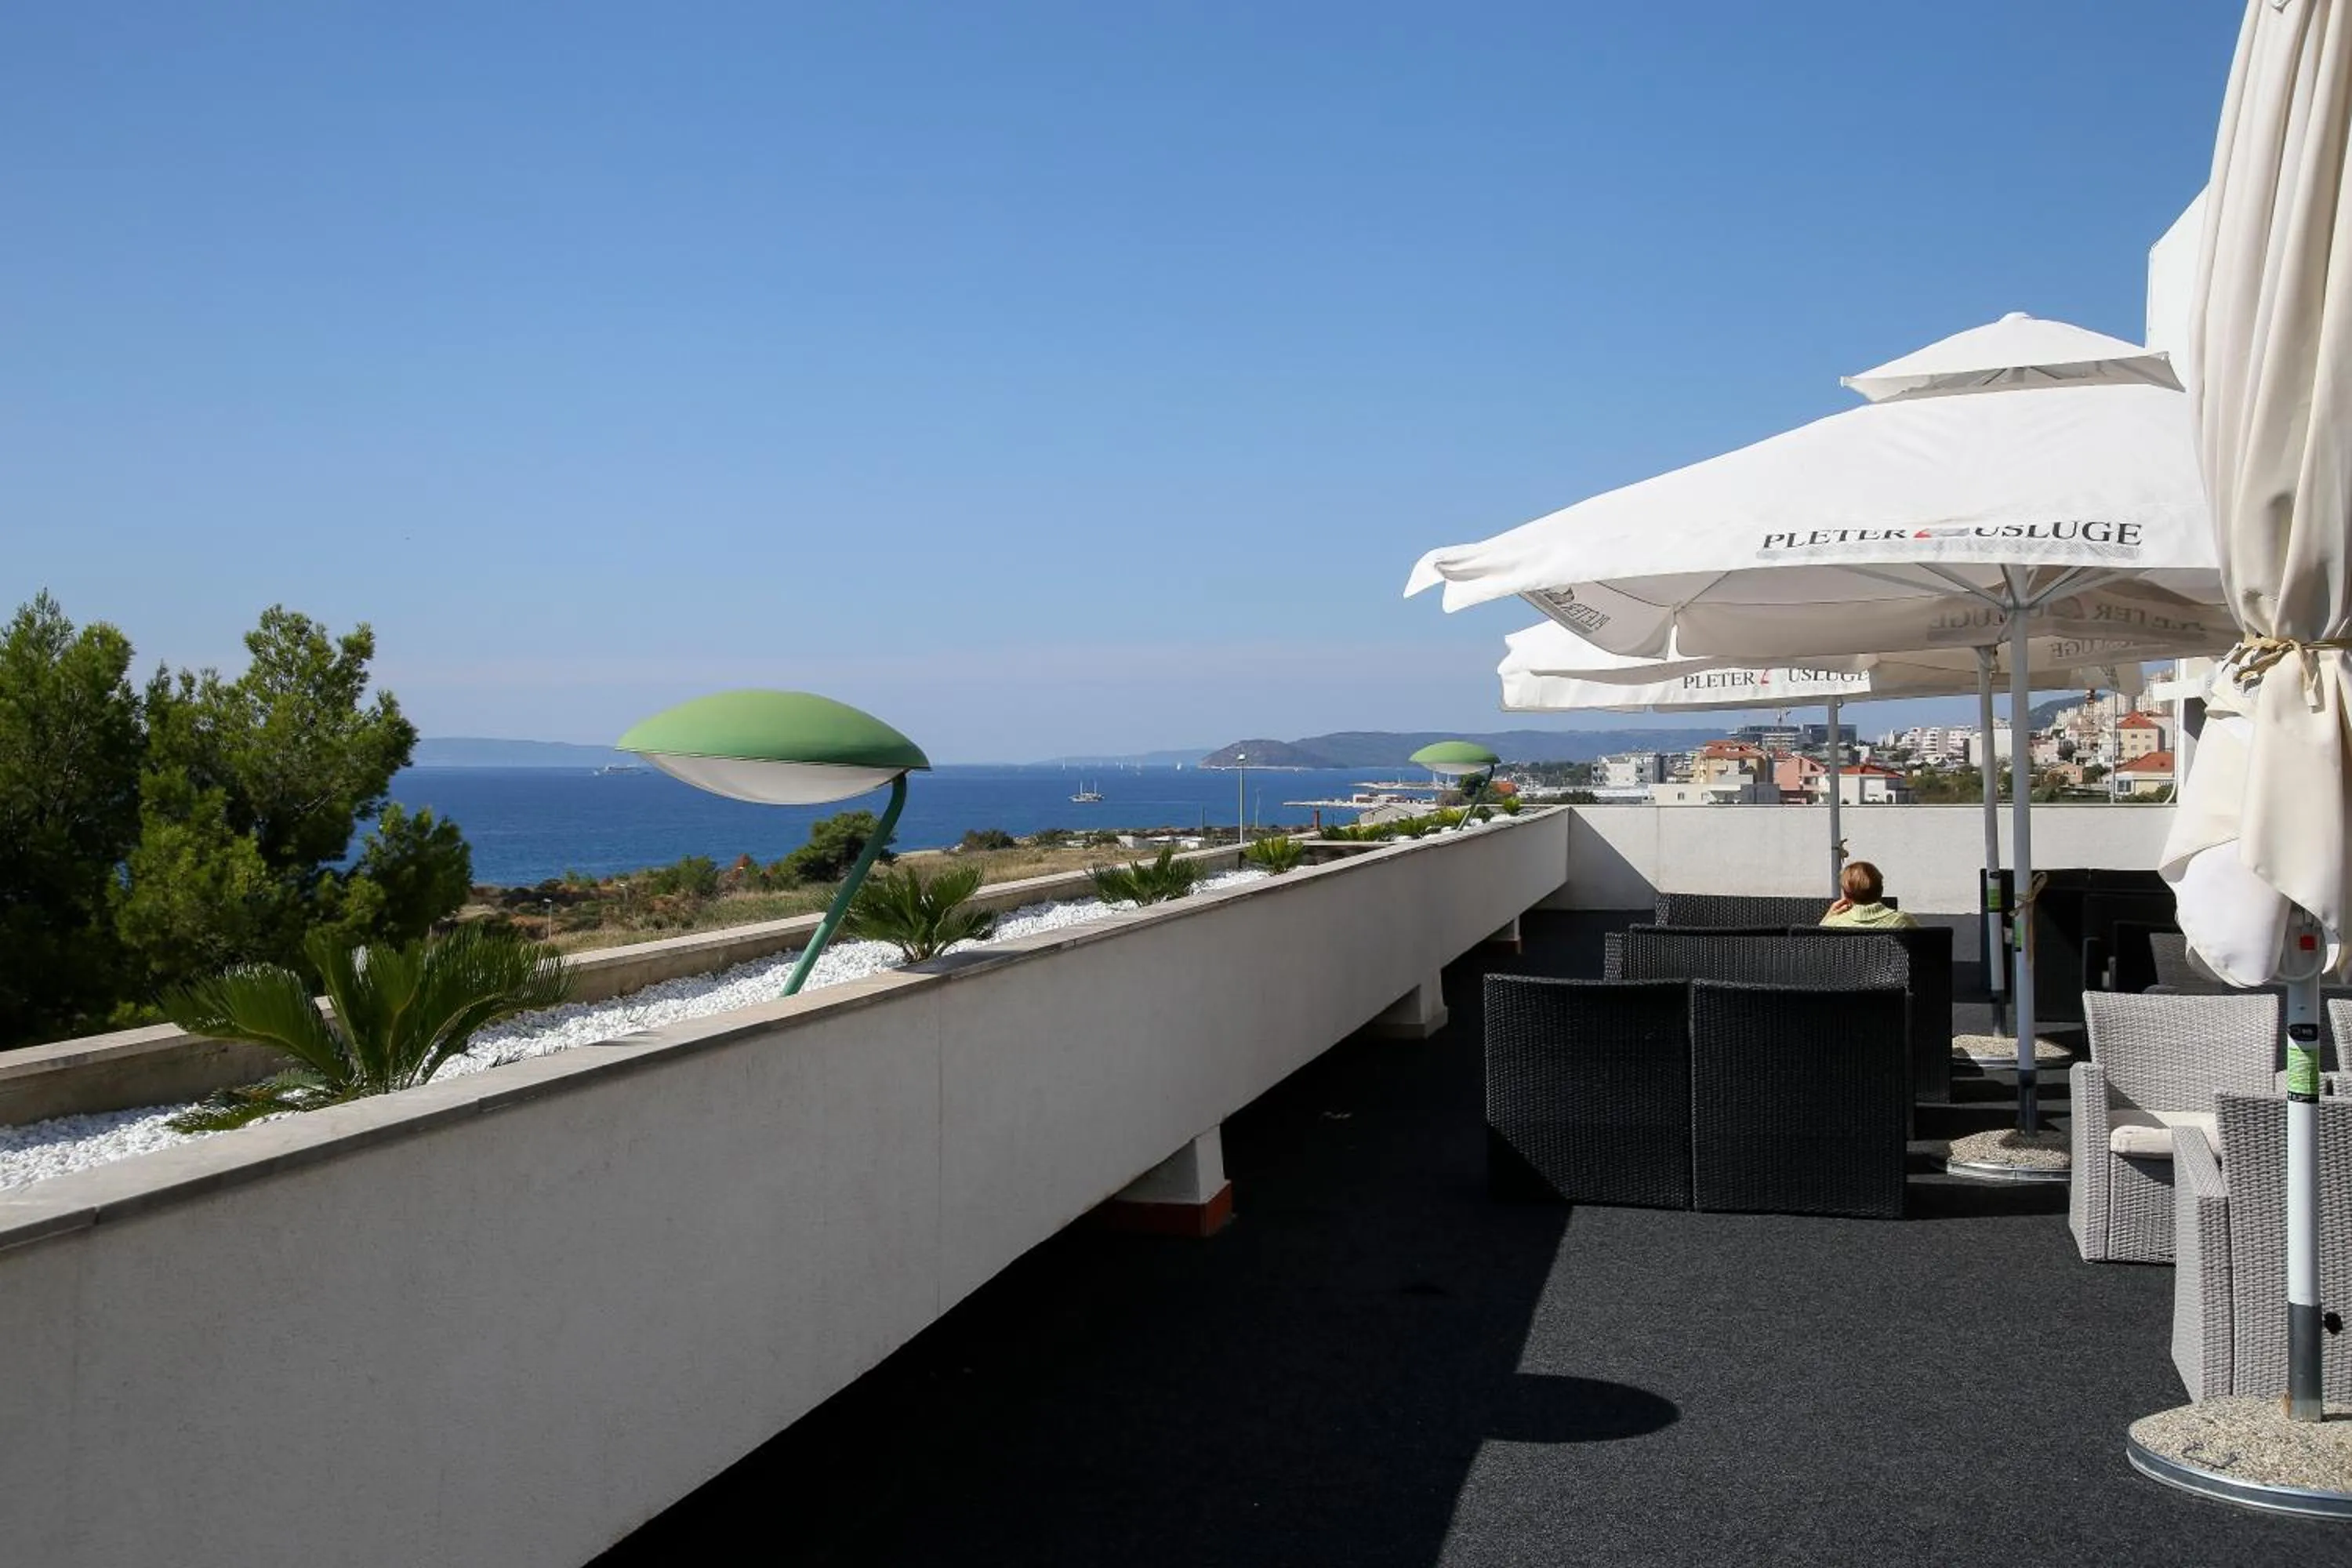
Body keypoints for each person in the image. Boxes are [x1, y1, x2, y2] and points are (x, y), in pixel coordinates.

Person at [1820, 860, 1918, 929]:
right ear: (1881, 890)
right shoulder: (1903, 921)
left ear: (1846, 895)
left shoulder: (1834, 924)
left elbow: (1816, 949)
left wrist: (1827, 918)